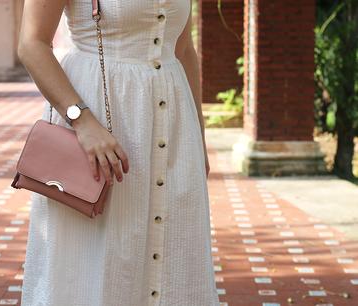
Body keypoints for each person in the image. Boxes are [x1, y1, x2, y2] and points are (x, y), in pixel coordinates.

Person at [17, 0, 220, 305]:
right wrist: (82, 121)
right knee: (96, 253)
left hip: (174, 126)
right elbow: (32, 43)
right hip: (96, 117)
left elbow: (183, 49)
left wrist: (198, 137)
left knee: (174, 247)